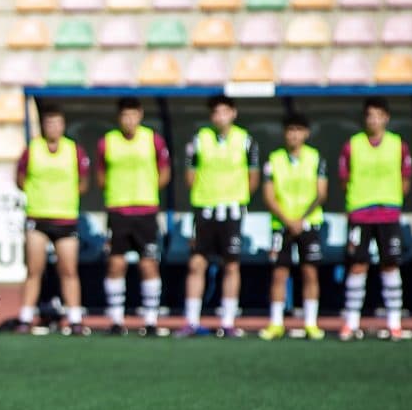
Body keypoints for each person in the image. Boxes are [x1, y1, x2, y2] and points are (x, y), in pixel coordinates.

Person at [179, 94, 258, 338]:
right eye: (215, 113)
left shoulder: (245, 141)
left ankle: (228, 321)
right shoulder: (200, 139)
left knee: (231, 264)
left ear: (233, 113)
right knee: (197, 263)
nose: (219, 117)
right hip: (204, 209)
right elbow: (189, 175)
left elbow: (252, 178)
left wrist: (235, 195)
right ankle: (191, 321)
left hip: (232, 209)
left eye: (224, 112)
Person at [339, 97, 412, 341]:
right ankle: (351, 321)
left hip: (388, 213)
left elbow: (405, 178)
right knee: (358, 264)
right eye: (369, 115)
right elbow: (344, 178)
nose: (374, 120)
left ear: (386, 118)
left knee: (390, 263)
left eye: (378, 115)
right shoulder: (353, 144)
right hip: (360, 212)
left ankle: (394, 321)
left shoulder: (397, 144)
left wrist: (390, 198)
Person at [97, 97, 171, 336]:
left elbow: (165, 172)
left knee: (148, 264)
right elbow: (101, 176)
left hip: (146, 211)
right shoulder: (107, 142)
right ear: (119, 117)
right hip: (118, 211)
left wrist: (147, 191)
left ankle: (150, 320)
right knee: (116, 263)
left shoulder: (153, 139)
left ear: (140, 115)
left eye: (133, 115)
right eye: (124, 115)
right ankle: (116, 320)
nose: (129, 120)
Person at [15, 105, 89, 335]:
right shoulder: (33, 148)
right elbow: (20, 178)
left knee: (68, 270)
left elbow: (83, 182)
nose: (52, 127)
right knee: (34, 270)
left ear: (63, 125)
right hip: (37, 216)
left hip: (65, 217)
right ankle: (26, 318)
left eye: (56, 123)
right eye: (48, 123)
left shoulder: (73, 149)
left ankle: (75, 319)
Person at [258, 113, 327, 341]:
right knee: (279, 273)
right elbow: (268, 195)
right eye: (290, 130)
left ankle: (310, 323)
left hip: (309, 222)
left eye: (298, 129)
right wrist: (288, 220)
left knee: (310, 271)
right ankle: (276, 323)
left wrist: (301, 219)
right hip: (282, 223)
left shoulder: (316, 158)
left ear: (306, 133)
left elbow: (321, 193)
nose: (294, 134)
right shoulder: (274, 159)